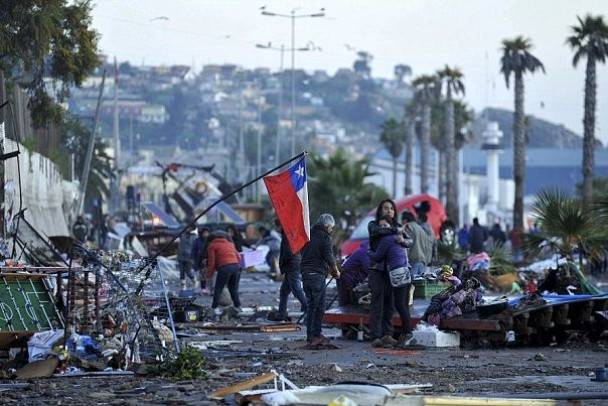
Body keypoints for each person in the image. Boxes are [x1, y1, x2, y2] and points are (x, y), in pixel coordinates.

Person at [368, 217, 414, 348]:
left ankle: (408, 333)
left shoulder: (386, 239)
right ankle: (407, 333)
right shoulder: (399, 237)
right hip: (406, 271)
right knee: (403, 304)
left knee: (399, 305)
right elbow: (410, 242)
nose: (381, 229)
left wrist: (368, 252)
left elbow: (377, 257)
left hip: (397, 273)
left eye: (383, 227)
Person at [367, 199, 403, 348]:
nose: (389, 211)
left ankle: (387, 334)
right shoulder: (373, 225)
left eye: (391, 209)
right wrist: (395, 231)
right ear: (380, 211)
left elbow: (407, 241)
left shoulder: (398, 227)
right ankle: (375, 336)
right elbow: (379, 232)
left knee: (390, 304)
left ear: (395, 212)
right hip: (377, 269)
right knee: (377, 303)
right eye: (385, 208)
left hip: (393, 271)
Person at [300, 213, 340, 347]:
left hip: (306, 274)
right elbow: (329, 255)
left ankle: (316, 334)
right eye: (331, 228)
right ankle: (312, 336)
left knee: (316, 306)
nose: (331, 230)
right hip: (316, 276)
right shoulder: (325, 237)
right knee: (316, 307)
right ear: (327, 225)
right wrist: (335, 270)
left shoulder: (309, 234)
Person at [275, 219, 307, 321]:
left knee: (296, 290)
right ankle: (281, 313)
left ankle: (308, 307)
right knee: (284, 291)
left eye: (277, 226)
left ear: (280, 226)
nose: (276, 229)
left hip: (292, 266)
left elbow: (287, 253)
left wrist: (282, 266)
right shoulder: (289, 234)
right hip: (293, 264)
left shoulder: (287, 236)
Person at [206, 232, 242, 315]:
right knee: (233, 288)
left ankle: (214, 307)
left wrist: (209, 275)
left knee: (218, 288)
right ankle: (238, 306)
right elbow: (239, 256)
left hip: (224, 267)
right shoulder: (230, 244)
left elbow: (212, 262)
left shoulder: (212, 246)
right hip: (236, 266)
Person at [402, 211, 434, 278]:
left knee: (411, 286)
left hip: (412, 262)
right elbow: (428, 246)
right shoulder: (420, 228)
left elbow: (407, 245)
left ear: (405, 220)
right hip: (422, 262)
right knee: (419, 286)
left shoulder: (408, 227)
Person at [337, 240, 370, 306]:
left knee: (348, 304)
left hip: (348, 278)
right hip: (347, 280)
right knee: (346, 305)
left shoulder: (363, 250)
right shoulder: (363, 252)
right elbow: (369, 268)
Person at [191, 226, 211, 291]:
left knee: (209, 275)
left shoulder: (210, 241)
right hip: (200, 260)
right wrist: (193, 259)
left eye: (207, 233)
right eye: (204, 233)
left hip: (209, 259)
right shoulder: (197, 241)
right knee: (202, 274)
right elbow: (194, 250)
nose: (206, 234)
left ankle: (209, 287)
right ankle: (203, 288)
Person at [177, 225, 196, 291]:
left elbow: (195, 247)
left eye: (190, 228)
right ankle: (183, 285)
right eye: (187, 227)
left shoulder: (194, 237)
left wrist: (193, 257)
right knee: (181, 271)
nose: (188, 229)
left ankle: (194, 280)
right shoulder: (182, 234)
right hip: (181, 256)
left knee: (188, 271)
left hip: (189, 257)